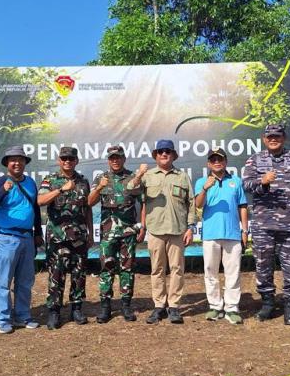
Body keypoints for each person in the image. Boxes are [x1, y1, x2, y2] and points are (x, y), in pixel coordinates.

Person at [242, 124, 290, 325]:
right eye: (270, 136)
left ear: (284, 138)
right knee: (263, 265)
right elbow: (246, 185)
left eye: (277, 136)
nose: (273, 139)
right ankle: (268, 304)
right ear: (264, 138)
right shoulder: (255, 160)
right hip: (264, 224)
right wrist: (262, 181)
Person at [127, 139, 196, 324]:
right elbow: (130, 190)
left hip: (177, 231)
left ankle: (173, 306)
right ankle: (159, 306)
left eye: (167, 151)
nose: (164, 154)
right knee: (157, 270)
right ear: (155, 155)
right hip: (156, 231)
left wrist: (191, 227)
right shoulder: (147, 175)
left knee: (177, 270)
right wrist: (139, 174)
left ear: (173, 155)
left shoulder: (182, 176)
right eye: (160, 151)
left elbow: (191, 203)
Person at [0, 146, 44, 334]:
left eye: (20, 159)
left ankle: (22, 315)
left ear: (25, 163)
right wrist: (3, 190)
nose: (16, 163)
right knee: (3, 281)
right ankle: (2, 319)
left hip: (26, 237)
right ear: (7, 164)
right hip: (5, 237)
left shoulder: (31, 183)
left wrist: (37, 233)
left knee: (25, 280)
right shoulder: (1, 182)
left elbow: (35, 210)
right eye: (12, 160)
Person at [87, 145, 145, 323]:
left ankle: (126, 305)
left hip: (128, 231)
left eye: (118, 157)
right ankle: (105, 306)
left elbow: (143, 202)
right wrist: (99, 188)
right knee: (107, 268)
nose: (115, 160)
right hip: (108, 232)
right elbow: (89, 202)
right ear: (108, 160)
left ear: (124, 158)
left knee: (127, 268)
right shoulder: (101, 178)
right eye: (112, 157)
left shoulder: (132, 178)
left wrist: (143, 226)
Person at [37, 147, 93, 329]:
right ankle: (54, 311)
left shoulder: (83, 181)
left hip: (79, 236)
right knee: (56, 274)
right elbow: (40, 201)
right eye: (64, 158)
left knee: (79, 274)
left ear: (76, 160)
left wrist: (90, 232)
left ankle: (76, 308)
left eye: (71, 158)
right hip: (58, 237)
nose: (67, 161)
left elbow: (88, 208)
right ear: (59, 160)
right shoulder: (50, 180)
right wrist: (61, 189)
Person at [194, 148, 248, 325]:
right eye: (213, 159)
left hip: (233, 234)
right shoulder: (202, 181)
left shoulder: (236, 181)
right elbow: (198, 204)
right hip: (210, 234)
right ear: (208, 163)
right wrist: (204, 188)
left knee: (233, 273)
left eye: (220, 159)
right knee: (210, 272)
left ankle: (232, 308)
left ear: (226, 161)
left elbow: (243, 207)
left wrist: (245, 231)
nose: (217, 162)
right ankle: (215, 306)